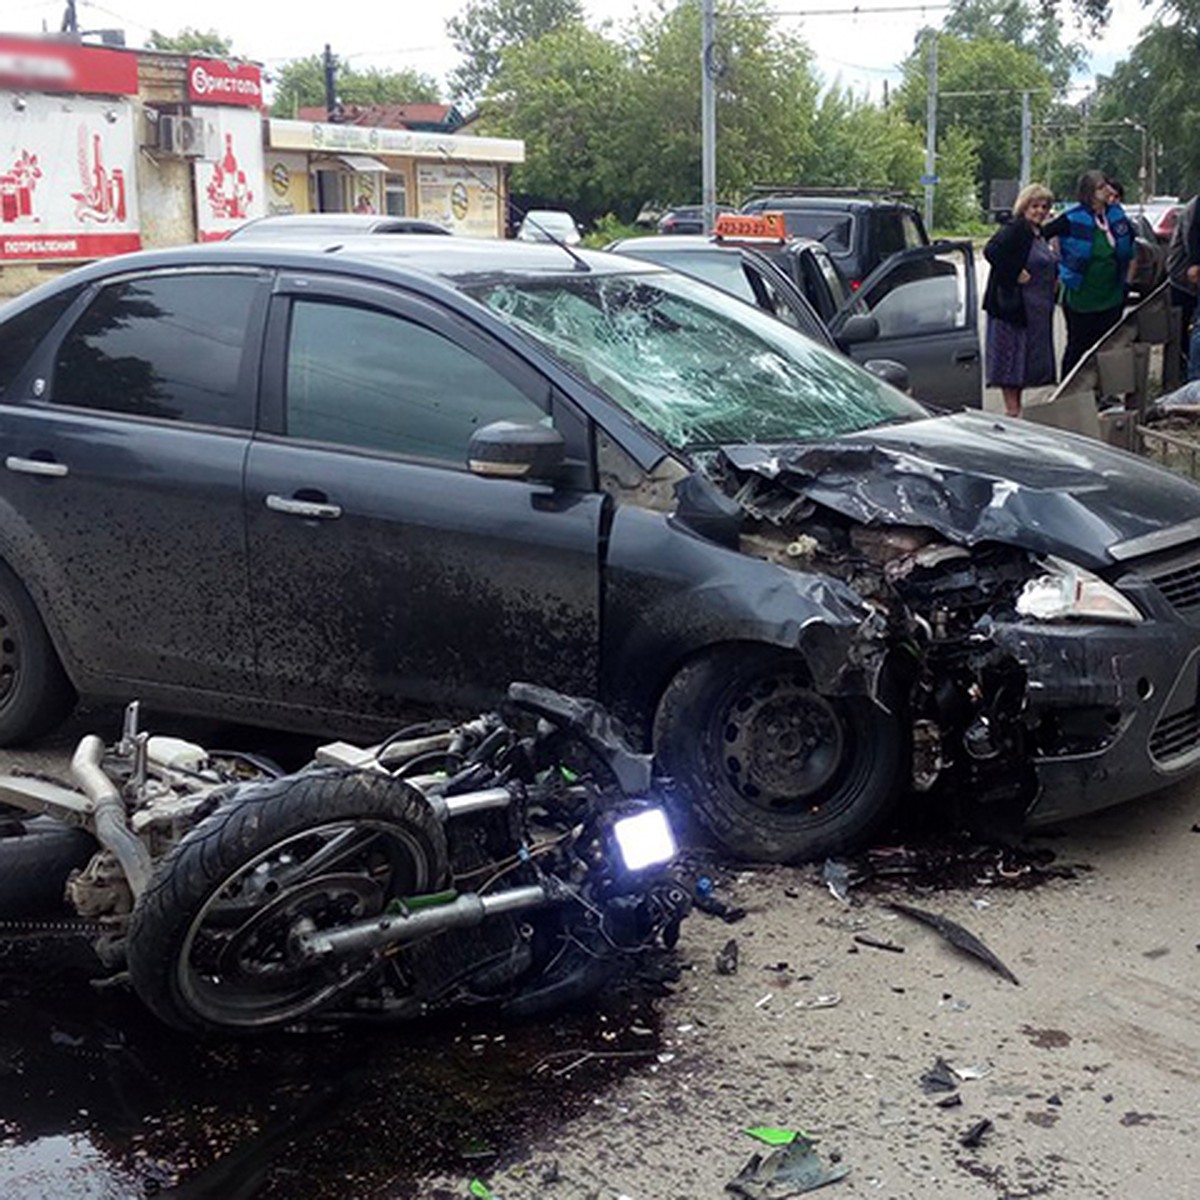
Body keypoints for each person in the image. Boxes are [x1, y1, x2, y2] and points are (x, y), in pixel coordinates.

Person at [1042, 170, 1135, 378]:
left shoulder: (1116, 216)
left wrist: (1126, 284)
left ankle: (1103, 393)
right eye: (1101, 187)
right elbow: (1041, 235)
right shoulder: (1072, 218)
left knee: (1105, 347)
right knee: (1078, 345)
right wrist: (1054, 266)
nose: (1108, 190)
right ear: (1090, 193)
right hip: (1081, 294)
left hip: (1111, 293)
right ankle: (1068, 391)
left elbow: (1131, 250)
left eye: (1107, 185)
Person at [982, 183, 1057, 417]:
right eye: (1035, 206)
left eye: (1044, 207)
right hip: (1013, 309)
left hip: (1035, 309)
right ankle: (1012, 411)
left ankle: (1017, 410)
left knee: (1026, 361)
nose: (1040, 211)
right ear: (1024, 206)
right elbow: (991, 251)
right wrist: (1014, 272)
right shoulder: (1017, 228)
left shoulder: (1038, 232)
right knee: (1012, 360)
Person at [1166, 193, 1200, 381]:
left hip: (1189, 277)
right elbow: (1191, 239)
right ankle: (1188, 376)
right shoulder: (1194, 209)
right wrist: (1195, 263)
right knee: (1185, 330)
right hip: (1183, 278)